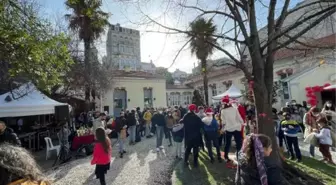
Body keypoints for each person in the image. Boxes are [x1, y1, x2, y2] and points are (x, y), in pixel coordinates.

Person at [220, 96, 244, 165]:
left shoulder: (223, 111)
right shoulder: (235, 109)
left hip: (229, 128)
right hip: (236, 127)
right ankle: (238, 156)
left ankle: (226, 156)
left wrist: (223, 129)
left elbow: (223, 122)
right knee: (238, 143)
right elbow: (239, 117)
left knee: (227, 143)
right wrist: (243, 123)